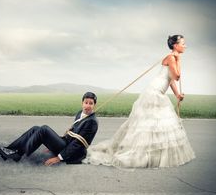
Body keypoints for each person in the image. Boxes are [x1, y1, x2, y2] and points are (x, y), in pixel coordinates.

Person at [83, 35, 195, 168]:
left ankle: (152, 155)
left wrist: (177, 95)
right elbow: (177, 76)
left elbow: (170, 80)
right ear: (175, 45)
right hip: (154, 92)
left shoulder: (173, 58)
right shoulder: (171, 58)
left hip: (159, 93)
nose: (185, 46)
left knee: (157, 124)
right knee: (148, 125)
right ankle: (141, 154)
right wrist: (179, 60)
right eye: (183, 43)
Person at [0, 92, 98, 166]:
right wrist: (52, 144)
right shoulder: (81, 113)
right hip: (65, 143)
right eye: (86, 102)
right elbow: (72, 134)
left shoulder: (92, 122)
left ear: (94, 105)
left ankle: (18, 154)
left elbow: (78, 144)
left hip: (74, 153)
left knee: (44, 129)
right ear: (82, 103)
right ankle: (11, 149)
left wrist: (59, 158)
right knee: (36, 128)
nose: (87, 106)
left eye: (91, 103)